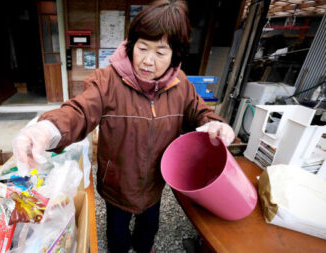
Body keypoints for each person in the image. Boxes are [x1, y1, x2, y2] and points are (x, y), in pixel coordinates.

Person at [13, 1, 235, 252]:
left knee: (149, 227)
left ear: (176, 54)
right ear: (131, 44)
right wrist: (47, 130)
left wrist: (215, 124)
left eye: (161, 53)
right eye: (142, 48)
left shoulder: (180, 84)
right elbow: (79, 111)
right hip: (117, 184)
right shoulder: (106, 81)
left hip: (155, 183)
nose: (148, 61)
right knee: (116, 231)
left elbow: (200, 112)